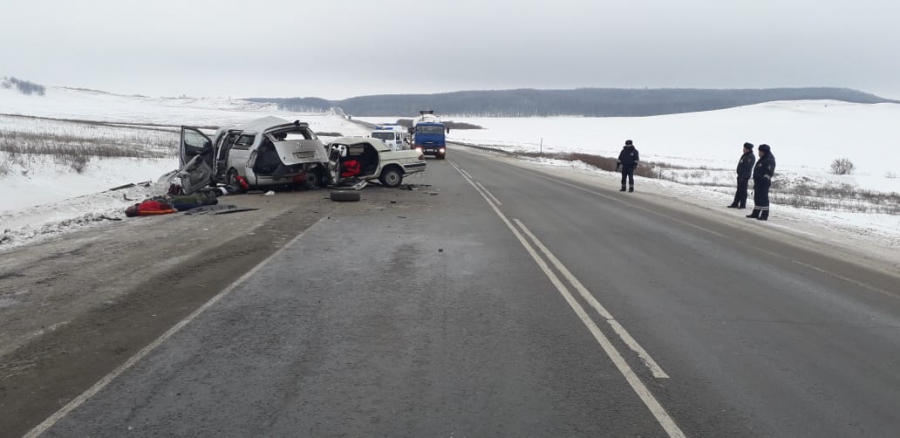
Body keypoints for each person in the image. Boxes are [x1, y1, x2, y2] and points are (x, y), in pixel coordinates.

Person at [747, 144, 776, 220]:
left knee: (763, 198)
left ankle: (764, 215)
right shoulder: (762, 159)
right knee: (757, 198)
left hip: (763, 183)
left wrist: (764, 180)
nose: (758, 153)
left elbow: (769, 172)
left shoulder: (769, 160)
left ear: (764, 152)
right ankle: (756, 213)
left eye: (760, 151)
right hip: (758, 182)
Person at [728, 142, 756, 209]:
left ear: (748, 149)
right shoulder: (744, 155)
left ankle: (742, 204)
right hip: (740, 175)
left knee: (743, 191)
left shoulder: (750, 156)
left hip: (744, 176)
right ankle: (735, 203)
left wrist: (744, 176)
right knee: (739, 190)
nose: (743, 149)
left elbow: (747, 167)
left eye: (745, 148)